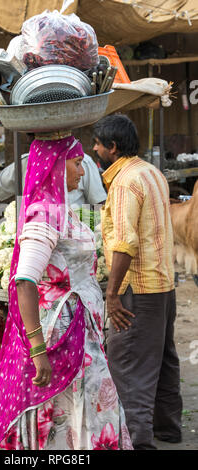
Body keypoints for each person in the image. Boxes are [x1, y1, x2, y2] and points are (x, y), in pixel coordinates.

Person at [0, 133, 133, 451]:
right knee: (81, 411)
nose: (82, 171)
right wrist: (38, 351)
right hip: (60, 338)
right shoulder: (45, 215)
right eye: (77, 164)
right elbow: (25, 281)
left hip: (79, 335)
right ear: (56, 166)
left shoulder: (61, 209)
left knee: (80, 411)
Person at [92, 114, 182, 450]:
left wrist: (112, 294)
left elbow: (125, 242)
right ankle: (169, 429)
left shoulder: (125, 181)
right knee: (162, 359)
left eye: (98, 144)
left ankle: (139, 442)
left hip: (139, 290)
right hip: (163, 286)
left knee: (130, 368)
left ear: (112, 147)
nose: (95, 149)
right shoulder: (151, 172)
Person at [0, 144, 107, 213]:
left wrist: (85, 238)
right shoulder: (28, 162)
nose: (81, 171)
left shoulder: (83, 161)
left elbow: (96, 204)